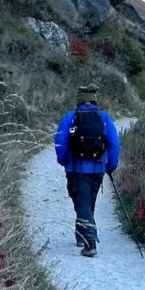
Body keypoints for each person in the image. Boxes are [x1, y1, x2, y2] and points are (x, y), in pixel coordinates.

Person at [54, 84, 120, 258]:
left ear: (79, 101)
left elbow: (60, 141)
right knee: (88, 201)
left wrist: (63, 160)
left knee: (81, 201)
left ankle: (90, 241)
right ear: (94, 101)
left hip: (75, 168)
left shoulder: (70, 117)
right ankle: (80, 234)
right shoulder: (104, 117)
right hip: (98, 169)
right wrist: (111, 166)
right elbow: (114, 143)